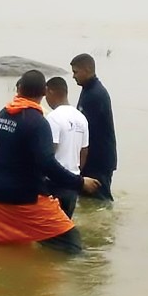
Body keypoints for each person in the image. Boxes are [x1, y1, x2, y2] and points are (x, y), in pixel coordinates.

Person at [0, 70, 100, 254]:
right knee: (72, 245)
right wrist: (80, 182)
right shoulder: (38, 123)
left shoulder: (3, 115)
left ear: (19, 88)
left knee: (4, 250)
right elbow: (47, 164)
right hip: (26, 198)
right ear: (44, 93)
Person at [70, 53, 117, 201]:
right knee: (87, 202)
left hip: (98, 161)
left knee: (100, 202)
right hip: (91, 159)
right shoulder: (87, 90)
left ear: (87, 69)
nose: (73, 76)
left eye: (75, 72)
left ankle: (105, 224)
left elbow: (85, 129)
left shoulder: (96, 95)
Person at [44, 76, 89, 218]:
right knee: (65, 223)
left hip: (54, 182)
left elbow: (50, 150)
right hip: (73, 182)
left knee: (49, 230)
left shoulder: (53, 117)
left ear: (50, 92)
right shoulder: (81, 118)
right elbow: (84, 151)